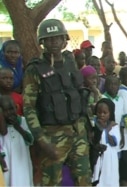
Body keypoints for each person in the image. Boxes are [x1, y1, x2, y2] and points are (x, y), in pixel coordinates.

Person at [22, 18, 91, 186]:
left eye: (58, 38)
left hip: (78, 132)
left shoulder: (70, 61)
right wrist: (42, 141)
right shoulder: (35, 69)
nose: (54, 42)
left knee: (84, 180)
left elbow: (78, 93)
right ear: (42, 42)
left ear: (64, 40)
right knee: (51, 182)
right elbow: (29, 108)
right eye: (49, 39)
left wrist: (87, 126)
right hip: (52, 136)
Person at [0, 95, 34, 186]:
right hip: (8, 164)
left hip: (22, 162)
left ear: (16, 107)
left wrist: (18, 127)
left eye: (12, 109)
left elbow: (30, 140)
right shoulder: (1, 128)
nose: (10, 113)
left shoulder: (23, 121)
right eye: (6, 110)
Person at [91, 98, 121, 187]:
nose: (101, 115)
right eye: (99, 112)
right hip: (96, 156)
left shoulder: (113, 126)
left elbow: (115, 142)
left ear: (110, 113)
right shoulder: (93, 123)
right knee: (97, 177)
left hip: (109, 157)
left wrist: (105, 129)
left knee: (109, 178)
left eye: (105, 113)